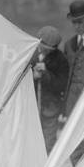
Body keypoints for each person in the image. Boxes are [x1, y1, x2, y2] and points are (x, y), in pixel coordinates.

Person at [30, 25, 70, 153]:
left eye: (50, 50)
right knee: (30, 144)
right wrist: (32, 76)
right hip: (31, 109)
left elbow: (60, 85)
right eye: (44, 48)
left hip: (50, 110)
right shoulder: (30, 54)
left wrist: (46, 74)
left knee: (48, 145)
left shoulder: (61, 60)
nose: (46, 52)